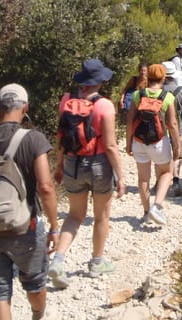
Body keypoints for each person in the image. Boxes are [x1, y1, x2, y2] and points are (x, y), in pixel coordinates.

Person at [0, 84, 60, 320]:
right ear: (25, 108)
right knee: (35, 283)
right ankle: (37, 314)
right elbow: (46, 187)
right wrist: (55, 226)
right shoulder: (34, 139)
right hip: (25, 228)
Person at [50, 59, 126, 288]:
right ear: (101, 80)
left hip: (73, 162)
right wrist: (121, 177)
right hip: (99, 164)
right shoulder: (104, 105)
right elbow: (111, 146)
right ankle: (96, 262)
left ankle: (58, 260)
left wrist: (60, 165)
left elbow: (61, 137)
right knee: (102, 216)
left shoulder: (66, 100)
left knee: (74, 216)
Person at [126, 64, 182, 225]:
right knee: (166, 172)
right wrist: (177, 147)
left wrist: (128, 143)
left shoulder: (138, 94)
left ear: (147, 77)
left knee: (143, 178)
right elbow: (172, 124)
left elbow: (129, 121)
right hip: (159, 142)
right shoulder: (167, 97)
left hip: (139, 141)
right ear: (164, 78)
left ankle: (145, 213)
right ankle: (156, 206)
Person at [162, 61, 182, 197]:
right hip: (178, 127)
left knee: (163, 155)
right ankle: (175, 180)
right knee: (177, 154)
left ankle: (161, 181)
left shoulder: (157, 91)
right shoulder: (181, 91)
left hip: (160, 128)